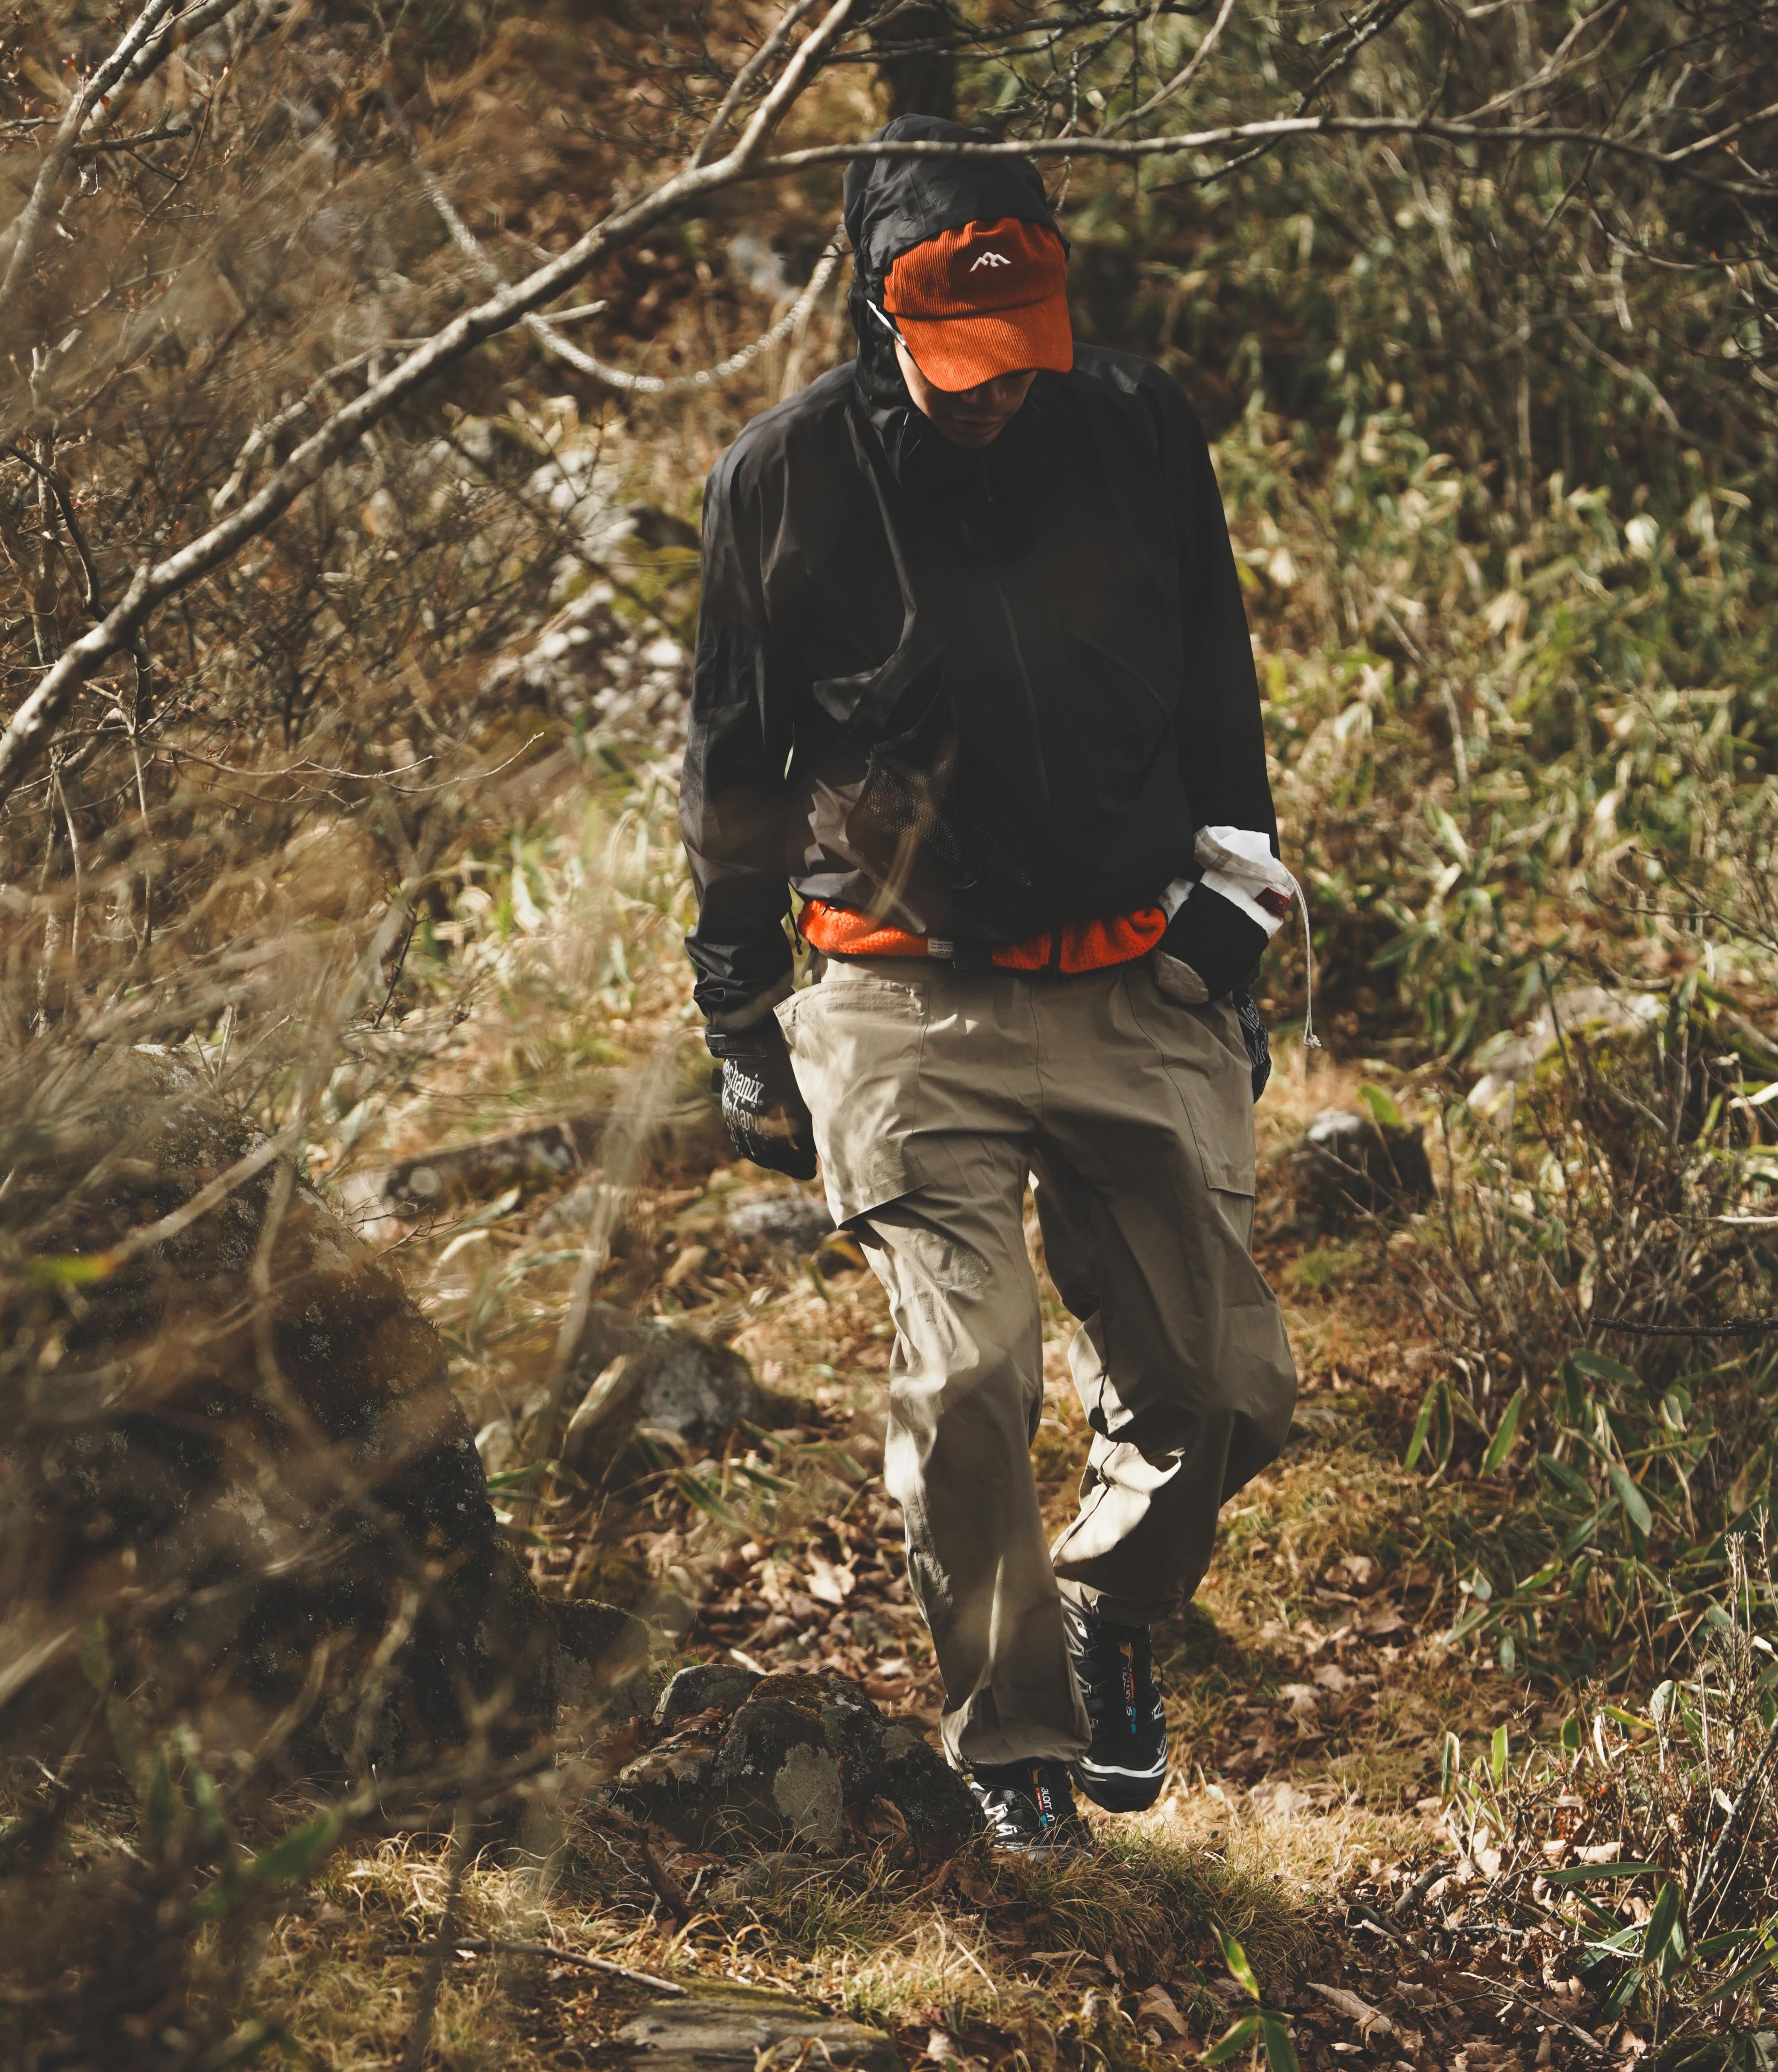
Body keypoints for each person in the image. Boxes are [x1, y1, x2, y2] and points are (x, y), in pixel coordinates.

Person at [680, 114, 1298, 1853]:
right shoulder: (782, 481)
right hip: (897, 995)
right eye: (963, 359)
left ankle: (1111, 1604)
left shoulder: (1137, 428)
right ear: (881, 314)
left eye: (1022, 352)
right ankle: (1013, 1743)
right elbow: (731, 764)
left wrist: (1236, 922)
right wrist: (739, 1018)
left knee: (1226, 1392)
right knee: (968, 1381)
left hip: (1131, 976)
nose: (997, 389)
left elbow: (1218, 674)